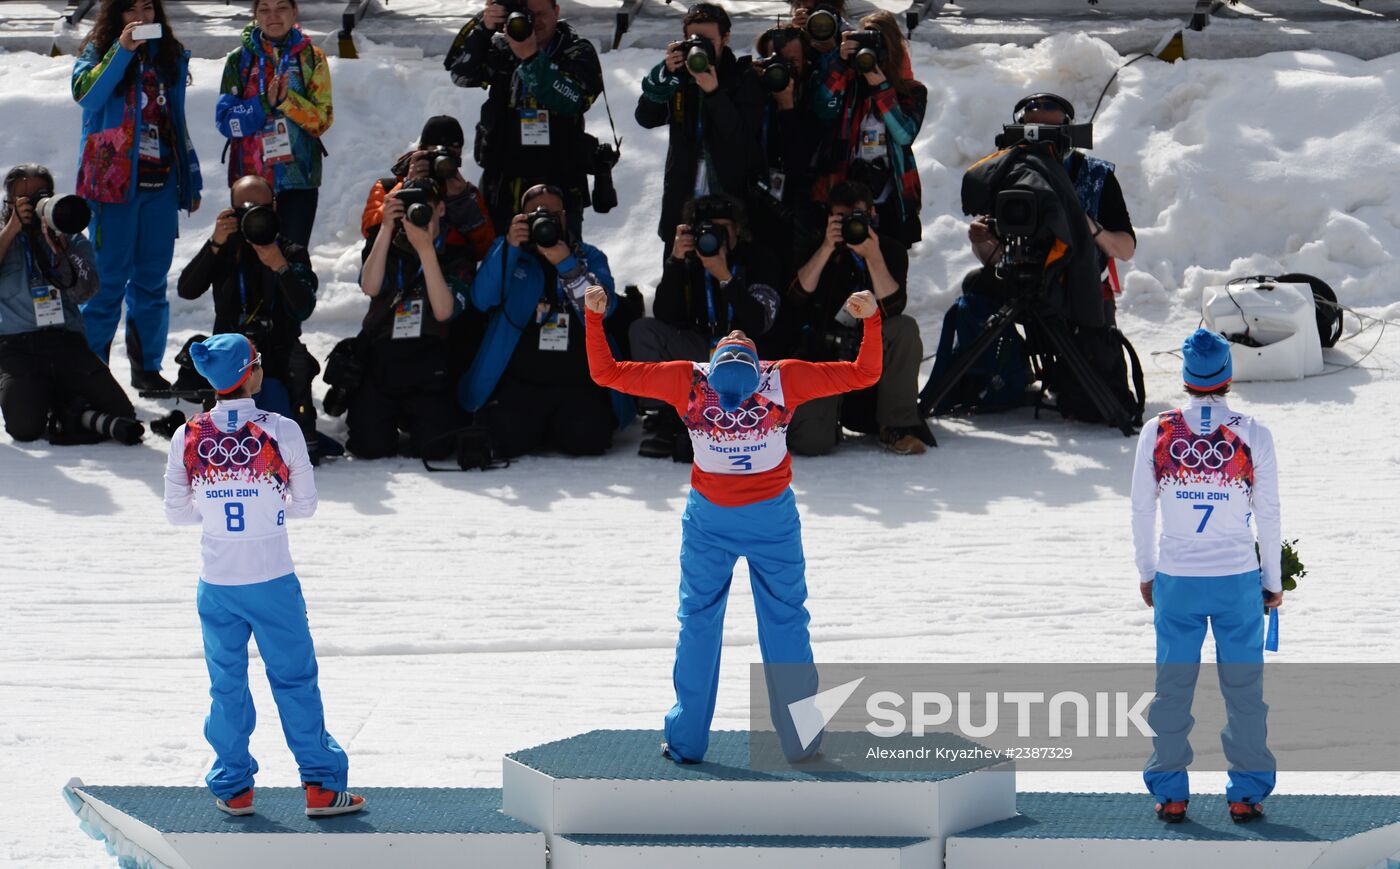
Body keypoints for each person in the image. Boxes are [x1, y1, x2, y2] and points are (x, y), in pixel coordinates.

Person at [585, 284, 882, 764]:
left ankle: (685, 742)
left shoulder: (688, 380)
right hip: (772, 521)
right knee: (786, 622)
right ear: (755, 366)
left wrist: (593, 320)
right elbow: (866, 373)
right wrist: (871, 319)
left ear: (714, 362)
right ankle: (801, 740)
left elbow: (606, 372)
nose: (738, 333)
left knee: (699, 623)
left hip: (709, 519)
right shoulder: (783, 379)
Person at [163, 333, 363, 818]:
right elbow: (307, 506)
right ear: (251, 373)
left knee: (226, 683)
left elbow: (177, 514)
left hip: (217, 584)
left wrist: (219, 516)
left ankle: (233, 787)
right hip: (273, 579)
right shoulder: (282, 430)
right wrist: (268, 512)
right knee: (295, 679)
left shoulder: (187, 435)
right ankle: (320, 785)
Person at [1131, 329, 1280, 825]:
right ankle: (1247, 792)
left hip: (1177, 576)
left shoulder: (1158, 431)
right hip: (1238, 579)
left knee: (1173, 686)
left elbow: (1140, 511)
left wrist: (1147, 572)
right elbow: (1270, 514)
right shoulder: (1254, 432)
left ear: (1186, 379)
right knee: (1244, 689)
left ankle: (1171, 792)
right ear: (1228, 377)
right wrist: (1273, 580)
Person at [72, 0, 202, 390]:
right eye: (130, 10)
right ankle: (91, 372)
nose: (141, 17)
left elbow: (176, 120)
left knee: (151, 281)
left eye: (148, 8)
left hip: (160, 182)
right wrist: (121, 52)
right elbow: (87, 97)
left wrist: (190, 180)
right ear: (116, 16)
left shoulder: (169, 56)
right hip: (111, 187)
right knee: (107, 282)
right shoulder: (97, 52)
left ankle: (146, 369)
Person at [460, 184, 622, 458]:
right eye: (535, 214)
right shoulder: (510, 254)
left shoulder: (588, 256)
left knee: (589, 441)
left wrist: (568, 265)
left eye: (552, 213)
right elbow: (481, 299)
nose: (545, 219)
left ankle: (556, 424)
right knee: (506, 439)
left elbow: (602, 309)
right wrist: (509, 247)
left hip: (577, 381)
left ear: (564, 217)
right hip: (522, 381)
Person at [176, 175, 329, 460]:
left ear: (274, 207)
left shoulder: (290, 252)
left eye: (261, 208)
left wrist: (281, 268)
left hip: (276, 356)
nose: (254, 216)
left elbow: (303, 308)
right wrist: (214, 244)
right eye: (245, 209)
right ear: (233, 211)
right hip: (230, 358)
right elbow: (186, 290)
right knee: (223, 447)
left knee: (277, 447)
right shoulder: (225, 249)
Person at [782, 180, 931, 455]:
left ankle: (896, 425)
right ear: (830, 218)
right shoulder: (816, 245)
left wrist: (873, 258)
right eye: (842, 218)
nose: (851, 225)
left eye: (857, 217)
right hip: (824, 357)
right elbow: (796, 298)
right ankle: (823, 421)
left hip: (870, 352)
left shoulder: (889, 250)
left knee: (904, 328)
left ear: (873, 215)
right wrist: (827, 249)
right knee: (811, 443)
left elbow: (893, 308)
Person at [632, 193, 780, 461]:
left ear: (738, 229)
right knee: (644, 331)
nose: (715, 235)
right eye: (707, 228)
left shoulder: (758, 259)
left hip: (744, 353)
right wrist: (676, 262)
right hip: (699, 348)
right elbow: (664, 314)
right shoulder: (688, 258)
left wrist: (725, 276)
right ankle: (666, 415)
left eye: (723, 228)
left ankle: (738, 418)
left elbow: (759, 322)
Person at [0, 164, 139, 445]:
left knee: (122, 413)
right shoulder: (4, 235)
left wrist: (61, 250)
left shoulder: (70, 235)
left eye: (40, 195)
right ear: (9, 202)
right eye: (23, 198)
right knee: (24, 428)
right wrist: (13, 229)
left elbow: (85, 291)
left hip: (65, 341)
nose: (33, 203)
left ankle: (62, 403)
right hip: (15, 347)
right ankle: (58, 401)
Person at [969, 93, 1135, 324]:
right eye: (1032, 134)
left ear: (1068, 135)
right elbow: (996, 259)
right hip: (1021, 284)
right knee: (973, 294)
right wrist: (981, 240)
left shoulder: (1095, 176)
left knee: (1097, 355)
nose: (1041, 145)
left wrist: (1088, 226)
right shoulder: (1003, 174)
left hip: (1081, 291)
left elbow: (1126, 250)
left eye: (1051, 135)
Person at [444, 0, 602, 237]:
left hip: (558, 182)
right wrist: (483, 25)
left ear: (556, 11)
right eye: (527, 15)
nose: (534, 22)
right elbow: (460, 74)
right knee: (501, 264)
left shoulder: (576, 50)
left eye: (541, 14)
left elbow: (576, 100)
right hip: (503, 180)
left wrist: (530, 59)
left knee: (559, 260)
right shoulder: (501, 47)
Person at [345, 179, 472, 460]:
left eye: (422, 208)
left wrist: (426, 250)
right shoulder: (387, 246)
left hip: (431, 361)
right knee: (369, 448)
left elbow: (444, 311)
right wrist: (387, 228)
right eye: (408, 210)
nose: (416, 216)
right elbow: (370, 287)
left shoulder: (457, 254)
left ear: (440, 209)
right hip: (384, 357)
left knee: (436, 448)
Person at [636, 3, 764, 253]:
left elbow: (741, 138)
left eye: (708, 40)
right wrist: (662, 79)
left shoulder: (744, 77)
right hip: (682, 201)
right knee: (678, 278)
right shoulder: (680, 77)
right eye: (694, 39)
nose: (700, 47)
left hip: (730, 204)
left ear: (725, 38)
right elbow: (646, 118)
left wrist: (713, 92)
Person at [215, 0, 334, 249]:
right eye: (264, 9)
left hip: (299, 179)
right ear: (255, 14)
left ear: (294, 11)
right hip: (250, 182)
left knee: (293, 264)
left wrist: (286, 101)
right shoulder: (239, 61)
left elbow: (322, 121)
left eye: (281, 8)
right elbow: (226, 123)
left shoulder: (312, 58)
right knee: (250, 265)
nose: (273, 17)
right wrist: (263, 104)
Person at [811, 11, 924, 248]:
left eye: (877, 46)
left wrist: (881, 87)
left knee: (889, 268)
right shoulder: (848, 84)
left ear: (892, 50)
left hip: (891, 200)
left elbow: (904, 135)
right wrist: (841, 64)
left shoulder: (911, 91)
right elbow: (823, 110)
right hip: (845, 193)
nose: (870, 54)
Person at [749, 26, 824, 277]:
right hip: (757, 199)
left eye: (793, 61)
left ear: (806, 60)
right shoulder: (752, 89)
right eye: (777, 61)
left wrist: (788, 107)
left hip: (800, 203)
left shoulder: (816, 92)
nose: (785, 68)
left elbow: (800, 161)